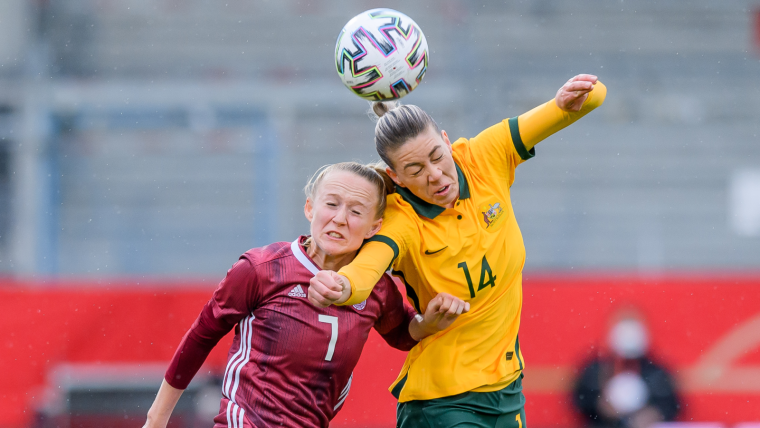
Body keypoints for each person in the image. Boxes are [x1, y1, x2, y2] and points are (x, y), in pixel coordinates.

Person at [308, 75, 607, 427]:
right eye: (416, 170)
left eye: (437, 156)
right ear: (397, 177)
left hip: (507, 389)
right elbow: (364, 274)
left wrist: (568, 99)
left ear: (447, 141)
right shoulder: (401, 220)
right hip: (442, 403)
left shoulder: (486, 156)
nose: (435, 175)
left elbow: (592, 98)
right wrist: (340, 286)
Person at [141, 162, 470, 428]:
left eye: (356, 211)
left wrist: (431, 321)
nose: (340, 219)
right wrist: (157, 418)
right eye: (331, 204)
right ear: (310, 208)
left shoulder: (376, 287)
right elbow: (202, 335)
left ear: (374, 227)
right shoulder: (262, 268)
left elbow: (403, 333)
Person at [572, 309, 680, 428]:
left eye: (633, 328)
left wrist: (656, 413)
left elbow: (673, 404)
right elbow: (579, 401)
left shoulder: (656, 370)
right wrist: (598, 406)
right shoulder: (596, 369)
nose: (629, 334)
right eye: (623, 328)